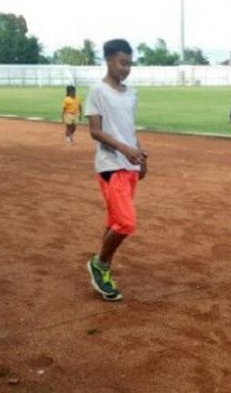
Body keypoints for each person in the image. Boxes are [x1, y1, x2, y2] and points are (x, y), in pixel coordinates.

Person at [84, 39, 147, 302]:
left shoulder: (131, 94)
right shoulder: (97, 91)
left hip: (130, 163)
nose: (126, 68)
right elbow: (95, 131)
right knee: (126, 222)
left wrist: (141, 155)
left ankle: (102, 268)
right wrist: (125, 149)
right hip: (111, 165)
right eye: (122, 63)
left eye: (129, 64)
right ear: (109, 60)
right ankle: (100, 264)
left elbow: (130, 129)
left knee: (114, 221)